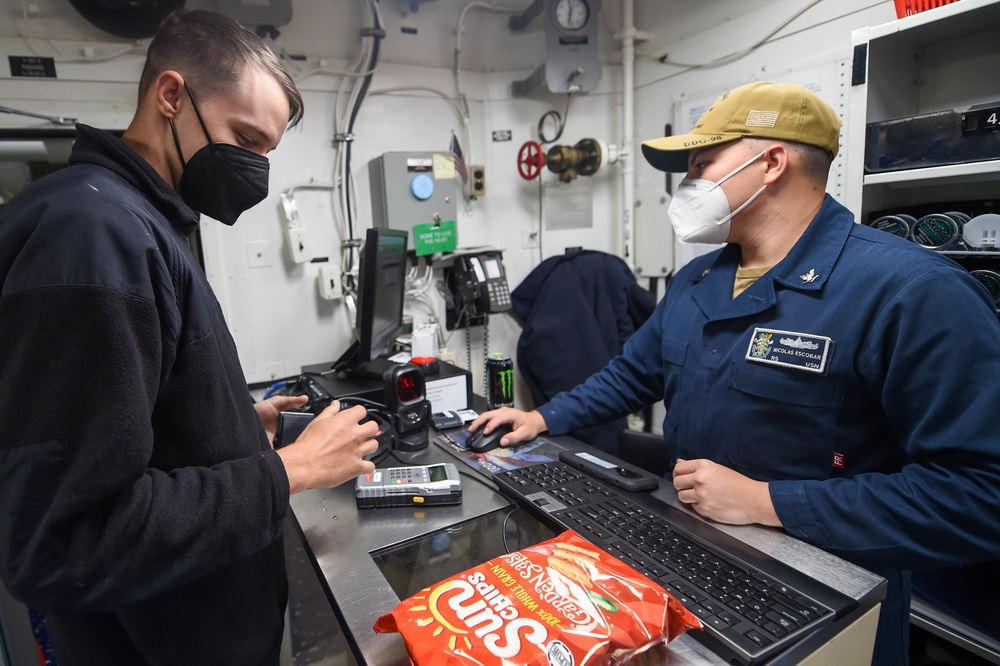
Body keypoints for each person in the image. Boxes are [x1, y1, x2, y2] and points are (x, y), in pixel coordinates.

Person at [470, 81, 1000, 665]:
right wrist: (542, 415)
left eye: (701, 164)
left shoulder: (911, 291)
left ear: (771, 162)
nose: (687, 185)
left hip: (830, 593)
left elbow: (979, 496)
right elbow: (632, 374)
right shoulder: (698, 281)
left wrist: (767, 502)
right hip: (694, 553)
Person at [0, 9, 378, 665]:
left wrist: (228, 427)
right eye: (245, 137)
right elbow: (69, 540)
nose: (255, 168)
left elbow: (128, 426)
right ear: (170, 96)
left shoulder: (135, 223)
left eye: (267, 152)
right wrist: (293, 470)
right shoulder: (96, 236)